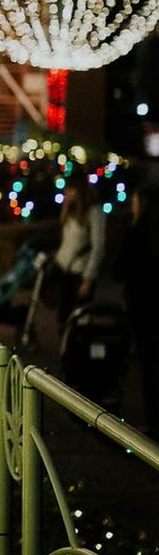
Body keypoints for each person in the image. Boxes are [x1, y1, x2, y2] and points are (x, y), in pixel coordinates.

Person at [118, 183, 159, 434]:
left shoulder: (136, 233)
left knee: (150, 366)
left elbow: (118, 269)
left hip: (143, 309)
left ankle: (153, 422)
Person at [49, 174, 106, 328]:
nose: (67, 194)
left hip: (81, 272)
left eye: (70, 190)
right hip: (65, 269)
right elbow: (67, 241)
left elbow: (98, 247)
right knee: (64, 317)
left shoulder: (94, 212)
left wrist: (88, 279)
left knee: (81, 319)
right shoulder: (70, 210)